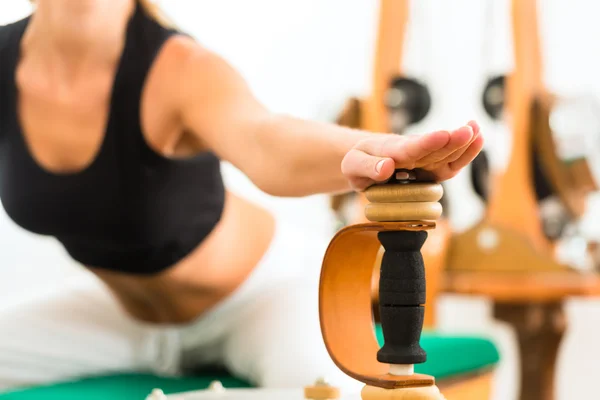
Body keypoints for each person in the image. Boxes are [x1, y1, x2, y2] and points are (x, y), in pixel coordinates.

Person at [0, 0, 484, 395]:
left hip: (262, 296)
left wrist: (373, 151)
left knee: (323, 393)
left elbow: (264, 139)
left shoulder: (179, 68)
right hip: (120, 318)